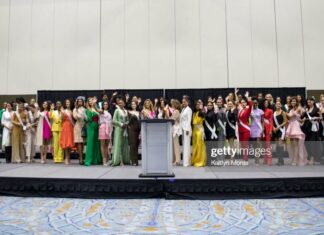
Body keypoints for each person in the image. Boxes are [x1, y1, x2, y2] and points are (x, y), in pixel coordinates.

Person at [285, 97, 308, 166]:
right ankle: (295, 159)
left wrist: (284, 112)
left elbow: (290, 115)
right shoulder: (291, 109)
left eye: (294, 101)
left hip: (295, 126)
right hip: (291, 125)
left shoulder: (299, 108)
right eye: (292, 101)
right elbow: (289, 117)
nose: (293, 102)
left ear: (297, 102)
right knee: (293, 144)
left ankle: (296, 159)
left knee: (297, 144)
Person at [301, 97, 321, 165]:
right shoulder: (307, 109)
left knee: (312, 143)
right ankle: (309, 157)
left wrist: (316, 117)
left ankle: (313, 158)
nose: (309, 102)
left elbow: (321, 117)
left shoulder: (316, 109)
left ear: (313, 102)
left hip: (313, 127)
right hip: (306, 127)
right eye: (308, 102)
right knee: (306, 142)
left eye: (310, 101)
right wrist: (303, 113)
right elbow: (301, 117)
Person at [111, 98, 130, 166]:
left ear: (124, 104)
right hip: (119, 129)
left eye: (122, 103)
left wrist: (127, 123)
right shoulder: (117, 111)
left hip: (125, 129)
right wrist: (121, 124)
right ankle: (119, 160)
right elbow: (113, 121)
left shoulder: (126, 111)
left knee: (124, 145)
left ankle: (125, 160)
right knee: (118, 144)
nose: (120, 104)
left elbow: (128, 119)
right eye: (119, 103)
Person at [84, 97, 102, 166]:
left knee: (96, 143)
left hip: (97, 126)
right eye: (90, 101)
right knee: (90, 143)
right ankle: (88, 160)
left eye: (92, 101)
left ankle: (96, 159)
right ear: (88, 102)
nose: (91, 102)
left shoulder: (95, 109)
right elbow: (88, 119)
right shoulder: (87, 110)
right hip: (90, 126)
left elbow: (100, 114)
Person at [237, 92, 252, 161]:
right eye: (242, 102)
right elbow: (237, 102)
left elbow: (251, 105)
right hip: (240, 130)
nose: (243, 103)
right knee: (242, 144)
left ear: (246, 103)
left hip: (246, 129)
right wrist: (235, 93)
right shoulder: (240, 110)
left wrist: (248, 98)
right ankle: (244, 157)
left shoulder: (248, 110)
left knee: (245, 144)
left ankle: (245, 158)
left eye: (244, 102)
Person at [191, 101, 206, 167]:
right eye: (196, 104)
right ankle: (194, 160)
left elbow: (203, 121)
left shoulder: (201, 112)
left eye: (199, 104)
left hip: (199, 130)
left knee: (200, 146)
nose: (198, 105)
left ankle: (200, 161)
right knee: (195, 146)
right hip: (194, 131)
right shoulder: (194, 113)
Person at [60, 99, 75, 165]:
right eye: (66, 102)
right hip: (65, 127)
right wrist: (62, 113)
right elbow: (62, 119)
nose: (67, 103)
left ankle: (68, 157)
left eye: (68, 102)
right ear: (65, 104)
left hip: (71, 127)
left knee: (69, 143)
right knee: (66, 143)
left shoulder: (71, 111)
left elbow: (74, 120)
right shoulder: (64, 111)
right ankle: (66, 158)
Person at [273, 101, 288, 165]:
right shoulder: (274, 113)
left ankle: (281, 160)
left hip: (281, 130)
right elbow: (273, 122)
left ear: (281, 105)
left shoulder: (283, 112)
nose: (278, 105)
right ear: (275, 105)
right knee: (277, 145)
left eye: (279, 104)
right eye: (277, 104)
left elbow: (285, 121)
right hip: (276, 130)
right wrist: (273, 127)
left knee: (280, 144)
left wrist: (279, 126)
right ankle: (280, 160)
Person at [99, 101, 113, 166]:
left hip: (108, 129)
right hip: (102, 127)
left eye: (106, 104)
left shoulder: (109, 113)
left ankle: (107, 158)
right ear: (102, 105)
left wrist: (111, 131)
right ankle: (103, 159)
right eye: (104, 104)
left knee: (107, 145)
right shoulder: (101, 111)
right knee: (102, 145)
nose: (105, 105)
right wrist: (94, 104)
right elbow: (97, 109)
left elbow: (111, 123)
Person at [73, 97, 86, 165]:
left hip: (84, 127)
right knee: (79, 143)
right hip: (78, 126)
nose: (80, 102)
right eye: (79, 101)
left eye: (81, 101)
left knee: (83, 143)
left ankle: (82, 157)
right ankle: (80, 158)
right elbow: (76, 117)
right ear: (77, 102)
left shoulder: (85, 109)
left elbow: (86, 117)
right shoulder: (75, 109)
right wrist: (78, 111)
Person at [180, 96, 192, 167]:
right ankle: (187, 161)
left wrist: (187, 129)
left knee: (187, 146)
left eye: (184, 102)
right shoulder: (183, 109)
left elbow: (189, 120)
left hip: (186, 129)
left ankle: (186, 162)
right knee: (184, 145)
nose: (183, 103)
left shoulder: (189, 110)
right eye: (182, 102)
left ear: (188, 102)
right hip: (183, 128)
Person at [128, 101, 141, 166]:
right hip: (132, 130)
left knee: (136, 145)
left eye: (134, 104)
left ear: (136, 105)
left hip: (138, 130)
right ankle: (133, 161)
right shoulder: (129, 112)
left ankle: (136, 160)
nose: (133, 105)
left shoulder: (139, 112)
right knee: (132, 145)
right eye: (132, 104)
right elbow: (128, 122)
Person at [170, 99, 182, 165]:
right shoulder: (175, 111)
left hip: (176, 130)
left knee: (176, 145)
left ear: (175, 105)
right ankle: (174, 160)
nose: (171, 105)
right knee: (173, 146)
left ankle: (177, 161)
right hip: (174, 129)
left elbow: (172, 120)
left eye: (172, 104)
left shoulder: (176, 111)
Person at [263, 99, 274, 165]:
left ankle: (269, 160)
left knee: (268, 145)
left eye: (267, 102)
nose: (266, 103)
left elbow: (271, 121)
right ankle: (265, 160)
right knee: (264, 145)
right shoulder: (261, 110)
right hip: (262, 129)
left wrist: (270, 130)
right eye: (265, 102)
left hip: (267, 129)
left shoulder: (270, 110)